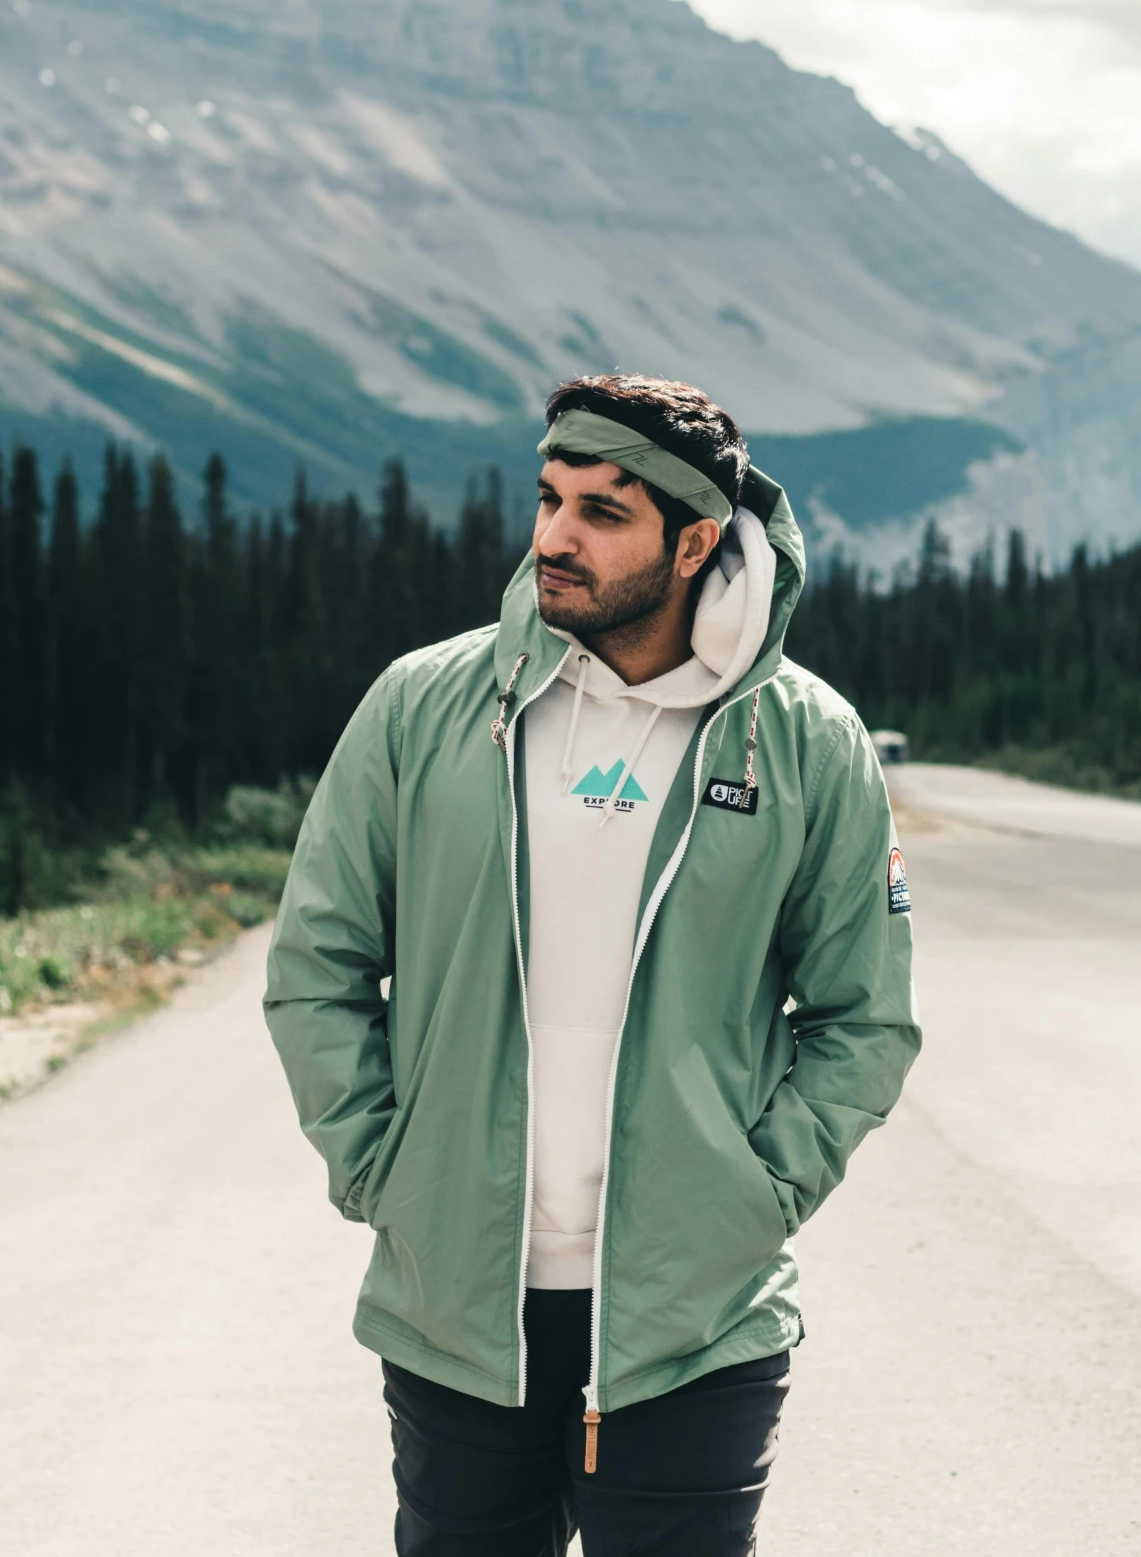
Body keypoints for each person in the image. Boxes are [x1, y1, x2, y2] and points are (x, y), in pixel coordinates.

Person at [265, 372, 921, 1556]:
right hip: (460, 1306)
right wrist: (380, 1169)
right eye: (549, 497)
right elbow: (318, 958)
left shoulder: (806, 740)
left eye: (603, 512)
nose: (555, 537)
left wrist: (757, 1194)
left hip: (693, 1317)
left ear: (694, 543)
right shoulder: (427, 706)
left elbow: (862, 1014)